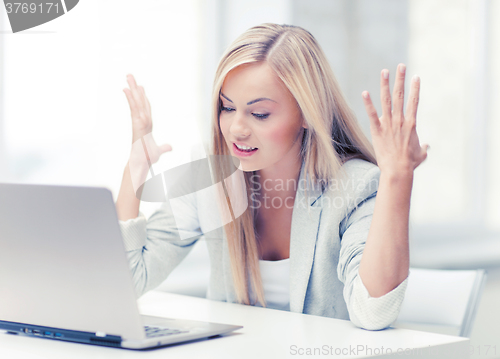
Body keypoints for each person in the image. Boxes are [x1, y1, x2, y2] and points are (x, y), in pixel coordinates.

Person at [116, 23, 428, 331]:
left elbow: (373, 313)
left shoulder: (356, 186)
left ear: (307, 112)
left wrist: (396, 178)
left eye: (260, 114)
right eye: (226, 108)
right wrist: (135, 170)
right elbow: (126, 280)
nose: (236, 129)